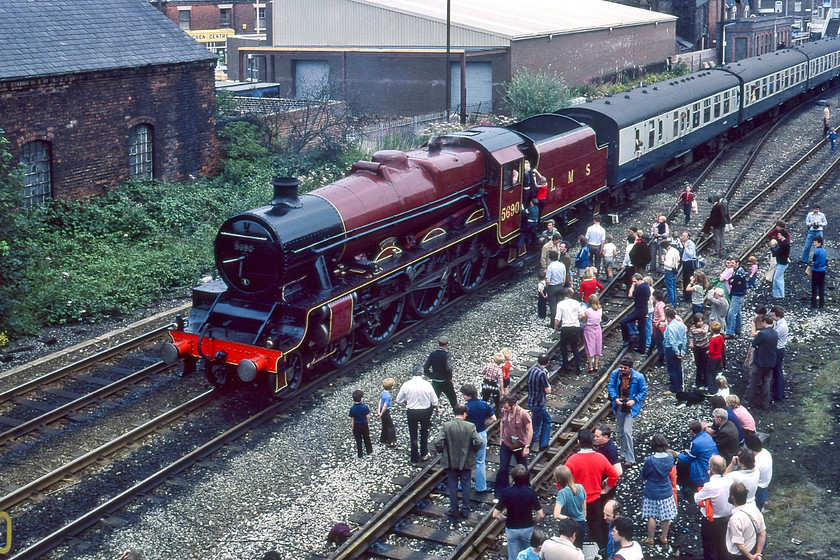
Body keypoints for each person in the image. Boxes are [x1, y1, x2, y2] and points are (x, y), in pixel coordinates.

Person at [565, 429, 619, 547]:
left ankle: (576, 549)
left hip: (578, 501)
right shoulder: (600, 458)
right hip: (595, 500)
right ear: (592, 441)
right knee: (595, 526)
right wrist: (607, 489)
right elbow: (614, 475)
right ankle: (599, 550)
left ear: (579, 442)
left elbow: (562, 479)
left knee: (576, 528)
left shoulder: (572, 460)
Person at [434, 403, 483, 517]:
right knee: (466, 485)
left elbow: (437, 442)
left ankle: (453, 510)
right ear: (464, 414)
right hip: (466, 460)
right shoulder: (470, 426)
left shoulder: (447, 426)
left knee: (452, 485)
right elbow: (479, 442)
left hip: (450, 460)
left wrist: (443, 451)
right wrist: (473, 450)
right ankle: (465, 510)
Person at [493, 464, 544, 560]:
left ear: (512, 477)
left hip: (511, 528)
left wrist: (505, 520)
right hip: (527, 528)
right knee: (529, 554)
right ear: (525, 478)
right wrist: (534, 521)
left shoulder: (506, 492)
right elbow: (540, 514)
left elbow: (495, 514)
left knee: (513, 557)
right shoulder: (530, 492)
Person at [395, 364, 440, 463]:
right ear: (421, 373)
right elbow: (434, 400)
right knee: (424, 431)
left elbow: (399, 399)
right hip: (425, 411)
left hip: (412, 411)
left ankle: (414, 458)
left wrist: (407, 401)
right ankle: (424, 453)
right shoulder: (427, 384)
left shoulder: (406, 384)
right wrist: (436, 408)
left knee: (413, 433)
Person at [607, 356, 647, 465]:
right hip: (620, 404)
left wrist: (634, 401)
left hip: (631, 407)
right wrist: (615, 398)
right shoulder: (616, 374)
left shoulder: (638, 377)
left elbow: (643, 391)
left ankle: (630, 458)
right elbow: (610, 386)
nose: (622, 370)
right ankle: (623, 454)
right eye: (621, 367)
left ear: (630, 368)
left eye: (625, 368)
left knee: (626, 431)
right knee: (620, 431)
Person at [694, 455, 735, 560]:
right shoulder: (730, 480)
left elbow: (697, 499)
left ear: (711, 468)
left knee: (710, 548)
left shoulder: (709, 486)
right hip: (727, 518)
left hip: (712, 522)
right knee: (723, 546)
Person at [640, 434, 677, 549]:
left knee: (652, 516)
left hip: (652, 490)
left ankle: (650, 539)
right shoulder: (670, 458)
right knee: (666, 516)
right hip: (666, 489)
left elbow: (644, 475)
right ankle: (664, 537)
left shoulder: (650, 460)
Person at [461, 383, 496, 494]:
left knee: (466, 460)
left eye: (464, 395)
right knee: (480, 461)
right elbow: (494, 419)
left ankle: (462, 485)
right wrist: (485, 424)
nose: (463, 396)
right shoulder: (484, 404)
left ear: (468, 395)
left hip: (468, 435)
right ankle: (480, 487)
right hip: (480, 434)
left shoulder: (465, 407)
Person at [497, 395, 533, 496]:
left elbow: (530, 430)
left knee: (523, 467)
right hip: (506, 443)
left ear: (513, 406)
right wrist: (501, 438)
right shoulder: (504, 411)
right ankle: (501, 491)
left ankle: (526, 488)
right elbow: (501, 423)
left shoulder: (523, 414)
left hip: (519, 444)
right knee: (503, 468)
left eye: (506, 407)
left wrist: (527, 446)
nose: (504, 409)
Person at [675, 420, 718, 496]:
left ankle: (686, 486)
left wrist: (677, 454)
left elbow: (688, 459)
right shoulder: (707, 436)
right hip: (712, 466)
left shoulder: (695, 443)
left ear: (691, 431)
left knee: (682, 463)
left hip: (703, 473)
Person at [744, 315, 778, 410]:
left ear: (764, 323)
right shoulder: (775, 333)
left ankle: (746, 401)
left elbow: (754, 344)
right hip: (771, 362)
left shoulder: (762, 334)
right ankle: (765, 404)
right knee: (766, 383)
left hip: (760, 362)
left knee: (752, 383)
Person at [725, 482, 766, 560]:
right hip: (752, 548)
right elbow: (762, 532)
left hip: (738, 556)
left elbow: (740, 546)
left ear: (732, 497)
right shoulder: (754, 509)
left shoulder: (735, 519)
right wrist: (758, 553)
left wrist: (751, 558)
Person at [553, 465, 588, 547]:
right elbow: (584, 508)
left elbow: (556, 515)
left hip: (569, 527)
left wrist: (568, 518)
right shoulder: (580, 487)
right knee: (579, 549)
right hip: (581, 524)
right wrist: (583, 518)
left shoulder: (562, 493)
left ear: (559, 480)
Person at [527, 353, 553, 451]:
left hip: (531, 401)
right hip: (538, 404)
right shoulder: (543, 373)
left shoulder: (532, 370)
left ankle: (543, 443)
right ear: (547, 363)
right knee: (536, 427)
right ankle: (530, 447)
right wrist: (547, 380)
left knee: (543, 420)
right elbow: (548, 390)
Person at [424, 336, 457, 410]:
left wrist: (431, 376)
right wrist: (450, 378)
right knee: (453, 399)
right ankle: (457, 415)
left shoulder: (432, 354)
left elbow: (425, 367)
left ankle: (428, 416)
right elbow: (449, 368)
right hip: (445, 381)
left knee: (433, 400)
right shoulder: (447, 355)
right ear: (446, 345)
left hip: (435, 381)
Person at [620, 274, 650, 353]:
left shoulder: (640, 287)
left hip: (639, 311)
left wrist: (632, 286)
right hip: (644, 310)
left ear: (639, 280)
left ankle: (627, 339)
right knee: (642, 329)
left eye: (635, 281)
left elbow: (630, 295)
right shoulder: (646, 286)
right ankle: (642, 348)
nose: (634, 283)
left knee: (623, 322)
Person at [555, 290, 583, 373]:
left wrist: (555, 327)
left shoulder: (560, 304)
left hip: (566, 328)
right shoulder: (576, 303)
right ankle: (579, 366)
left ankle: (565, 366)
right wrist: (576, 319)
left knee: (563, 347)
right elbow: (582, 315)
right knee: (574, 347)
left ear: (562, 296)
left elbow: (557, 319)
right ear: (569, 295)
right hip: (575, 327)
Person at [663, 306, 687, 395]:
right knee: (678, 367)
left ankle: (674, 388)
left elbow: (672, 341)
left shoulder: (670, 327)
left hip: (671, 349)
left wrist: (676, 352)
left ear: (667, 317)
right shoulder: (681, 324)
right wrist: (682, 351)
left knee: (672, 368)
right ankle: (679, 385)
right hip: (680, 347)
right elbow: (684, 338)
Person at [744, 434, 772, 511]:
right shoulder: (766, 452)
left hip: (759, 488)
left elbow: (749, 477)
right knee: (761, 501)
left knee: (756, 507)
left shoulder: (755, 462)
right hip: (765, 484)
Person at [724, 258, 748, 338]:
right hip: (738, 293)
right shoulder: (736, 270)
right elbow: (732, 280)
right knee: (737, 312)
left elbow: (733, 282)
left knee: (731, 313)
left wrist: (733, 281)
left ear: (737, 263)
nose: (731, 264)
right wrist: (733, 281)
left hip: (738, 294)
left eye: (732, 263)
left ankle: (730, 332)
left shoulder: (739, 272)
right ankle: (738, 329)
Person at [581, 294, 603, 373]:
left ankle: (590, 366)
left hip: (589, 329)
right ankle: (596, 365)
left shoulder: (587, 311)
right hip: (597, 328)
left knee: (589, 346)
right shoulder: (600, 310)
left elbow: (584, 320)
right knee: (597, 346)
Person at [770, 306, 787, 402]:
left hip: (778, 350)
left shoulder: (782, 326)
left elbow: (773, 336)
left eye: (773, 315)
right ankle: (777, 391)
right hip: (778, 350)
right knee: (777, 371)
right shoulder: (778, 323)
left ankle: (778, 393)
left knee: (777, 372)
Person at [349, 389, 373, 458]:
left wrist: (353, 426)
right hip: (364, 424)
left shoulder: (352, 408)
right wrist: (368, 423)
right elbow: (367, 416)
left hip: (356, 425)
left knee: (358, 440)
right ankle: (369, 451)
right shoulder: (364, 407)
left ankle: (360, 454)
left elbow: (352, 418)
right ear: (361, 398)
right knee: (367, 438)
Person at [689, 313, 710, 390]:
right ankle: (698, 382)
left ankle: (705, 383)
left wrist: (700, 331)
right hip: (697, 348)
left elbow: (705, 331)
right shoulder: (692, 329)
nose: (700, 323)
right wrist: (691, 343)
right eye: (699, 321)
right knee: (698, 365)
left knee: (705, 365)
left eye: (701, 321)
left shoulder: (705, 326)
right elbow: (691, 337)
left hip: (705, 348)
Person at [545, 249, 567, 324]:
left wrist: (547, 288)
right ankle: (561, 321)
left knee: (553, 306)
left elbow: (548, 280)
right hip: (560, 286)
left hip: (552, 287)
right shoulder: (562, 265)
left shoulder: (550, 267)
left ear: (550, 258)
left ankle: (553, 323)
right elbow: (564, 277)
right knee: (560, 304)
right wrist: (562, 285)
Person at [768, 224, 790, 298]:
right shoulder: (784, 242)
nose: (778, 236)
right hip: (782, 262)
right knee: (780, 278)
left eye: (779, 235)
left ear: (782, 235)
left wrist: (772, 249)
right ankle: (780, 294)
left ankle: (779, 294)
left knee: (776, 278)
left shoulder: (784, 244)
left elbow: (778, 252)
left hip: (782, 263)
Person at [660, 239, 680, 306]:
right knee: (673, 287)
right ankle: (674, 302)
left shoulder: (669, 253)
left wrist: (663, 260)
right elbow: (679, 259)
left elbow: (669, 264)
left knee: (669, 289)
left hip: (669, 271)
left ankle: (670, 303)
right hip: (675, 270)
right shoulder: (675, 250)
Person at [706, 321, 725, 391]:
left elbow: (711, 351)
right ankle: (718, 387)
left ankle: (712, 390)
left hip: (712, 358)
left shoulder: (712, 340)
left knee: (709, 373)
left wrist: (707, 352)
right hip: (719, 357)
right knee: (716, 372)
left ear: (711, 330)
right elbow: (723, 346)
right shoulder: (720, 337)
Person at [378, 378, 397, 447]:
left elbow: (380, 402)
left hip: (381, 410)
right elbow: (385, 406)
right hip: (385, 411)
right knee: (390, 426)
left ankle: (383, 439)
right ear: (392, 387)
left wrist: (379, 411)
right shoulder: (388, 396)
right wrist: (381, 413)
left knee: (384, 425)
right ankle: (390, 441)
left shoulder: (383, 393)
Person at [810, 236, 827, 308]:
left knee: (814, 287)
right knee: (821, 286)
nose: (814, 244)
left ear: (819, 243)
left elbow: (814, 258)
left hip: (816, 270)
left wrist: (813, 262)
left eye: (815, 242)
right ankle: (821, 303)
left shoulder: (816, 251)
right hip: (822, 270)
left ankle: (814, 303)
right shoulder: (824, 250)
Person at [681, 232, 697, 300]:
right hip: (685, 262)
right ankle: (685, 295)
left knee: (688, 279)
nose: (682, 237)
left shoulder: (690, 244)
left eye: (684, 236)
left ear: (688, 237)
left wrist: (686, 248)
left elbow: (691, 254)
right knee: (685, 279)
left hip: (689, 263)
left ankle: (688, 296)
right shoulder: (686, 243)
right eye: (682, 235)